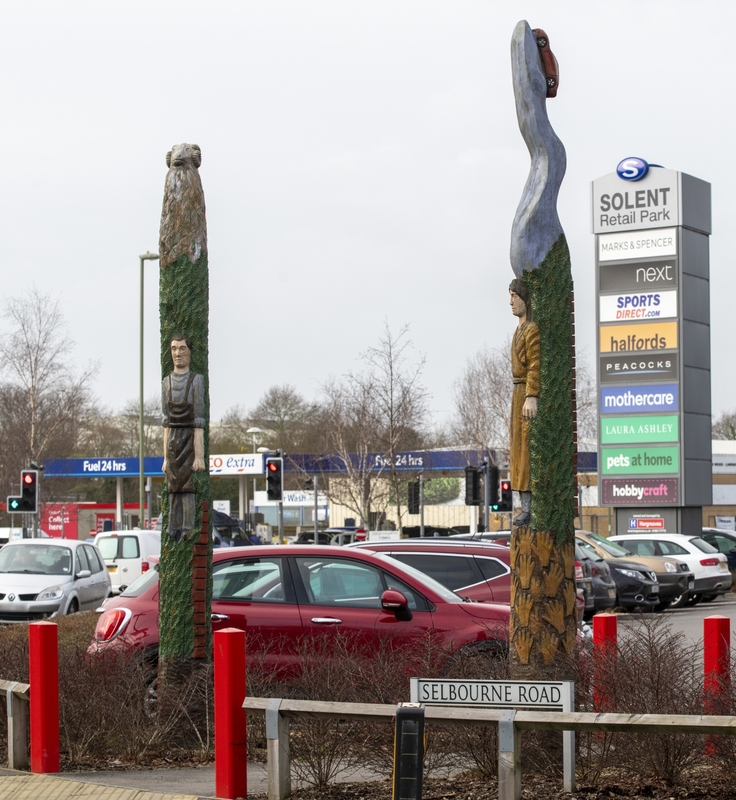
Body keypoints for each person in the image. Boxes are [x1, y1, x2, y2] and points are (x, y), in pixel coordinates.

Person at [161, 335, 205, 541]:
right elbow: (165, 424)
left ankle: (188, 525)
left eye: (182, 348)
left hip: (189, 439)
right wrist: (164, 458)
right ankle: (173, 525)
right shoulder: (166, 382)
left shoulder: (196, 380)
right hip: (172, 444)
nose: (177, 353)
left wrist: (199, 456)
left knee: (187, 486)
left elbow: (198, 421)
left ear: (189, 351)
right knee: (172, 486)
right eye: (174, 349)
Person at [509, 278, 540, 528]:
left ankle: (529, 506)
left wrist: (532, 395)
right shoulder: (518, 329)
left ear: (524, 298)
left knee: (525, 448)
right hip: (516, 392)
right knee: (517, 448)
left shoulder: (530, 330)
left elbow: (534, 365)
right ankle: (523, 504)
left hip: (524, 394)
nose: (511, 302)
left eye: (514, 296)